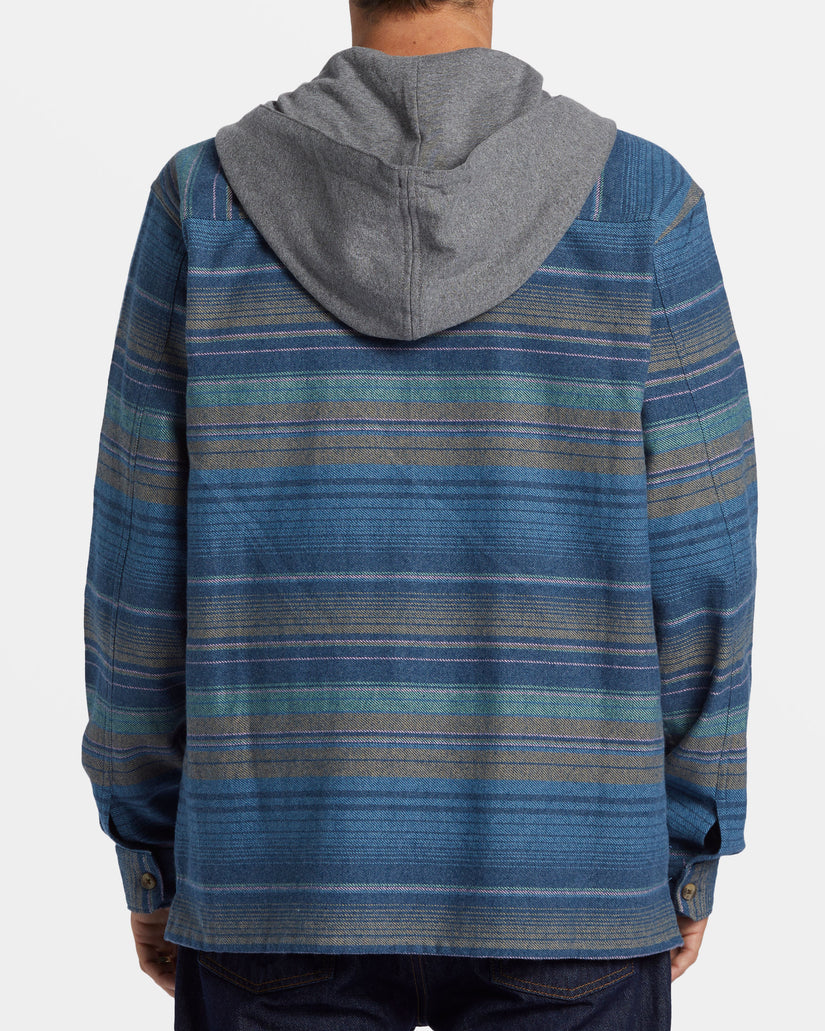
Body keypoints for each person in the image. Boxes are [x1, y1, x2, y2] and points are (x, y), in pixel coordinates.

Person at [81, 0, 758, 1027]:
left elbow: (136, 572)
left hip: (277, 876)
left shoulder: (206, 201)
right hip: (570, 875)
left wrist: (150, 851)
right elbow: (708, 559)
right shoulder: (641, 202)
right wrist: (685, 847)